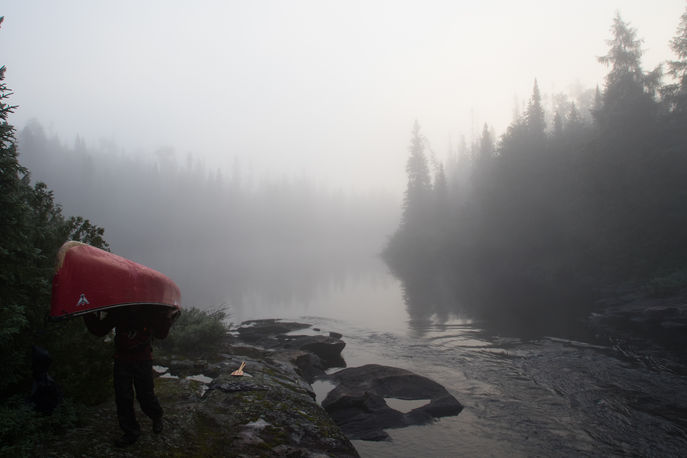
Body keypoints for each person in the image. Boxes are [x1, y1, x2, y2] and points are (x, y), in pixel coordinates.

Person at [84, 306, 179, 447]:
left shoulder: (150, 309)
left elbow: (161, 334)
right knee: (123, 397)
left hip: (143, 359)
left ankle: (156, 416)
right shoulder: (118, 309)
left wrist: (167, 317)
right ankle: (130, 432)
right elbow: (100, 330)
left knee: (145, 395)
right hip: (122, 360)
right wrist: (88, 313)